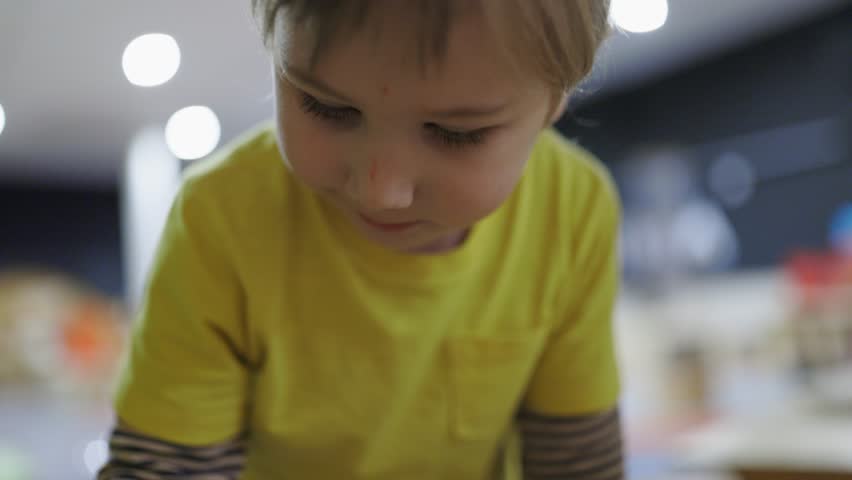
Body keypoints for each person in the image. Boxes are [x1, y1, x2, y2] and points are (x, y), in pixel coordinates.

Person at [98, 1, 623, 479]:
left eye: (456, 133)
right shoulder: (220, 216)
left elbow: (576, 462)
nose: (381, 192)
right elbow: (164, 468)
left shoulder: (572, 211)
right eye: (328, 108)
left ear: (556, 99)